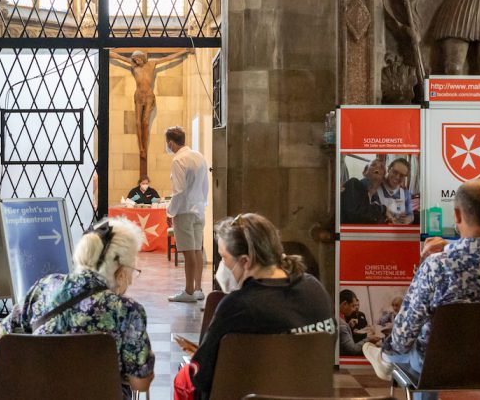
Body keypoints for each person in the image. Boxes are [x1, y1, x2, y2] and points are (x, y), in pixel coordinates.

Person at [363, 181, 480, 395]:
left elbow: (403, 335)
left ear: (456, 215)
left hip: (435, 367)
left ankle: (384, 359)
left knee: (401, 347)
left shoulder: (436, 265)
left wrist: (389, 350)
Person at [177, 213, 335, 399]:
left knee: (183, 379)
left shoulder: (236, 306)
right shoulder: (316, 291)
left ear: (245, 261)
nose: (222, 267)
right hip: (307, 394)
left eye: (223, 258)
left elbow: (201, 376)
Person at [0, 218, 154, 399]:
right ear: (119, 268)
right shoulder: (127, 311)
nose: (131, 279)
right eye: (132, 270)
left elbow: (0, 337)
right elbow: (140, 384)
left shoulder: (44, 287)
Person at [110, 49, 192, 158]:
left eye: (138, 59)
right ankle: (141, 148)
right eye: (135, 60)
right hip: (139, 96)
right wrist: (105, 51)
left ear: (142, 58)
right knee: (138, 123)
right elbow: (119, 57)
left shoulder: (152, 64)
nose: (136, 61)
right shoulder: (134, 66)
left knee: (146, 123)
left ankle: (145, 146)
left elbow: (168, 58)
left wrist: (184, 51)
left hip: (149, 96)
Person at [165, 126, 210, 303]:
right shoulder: (198, 156)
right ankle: (198, 288)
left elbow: (178, 191)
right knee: (198, 249)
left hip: (184, 211)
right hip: (199, 209)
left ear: (170, 143)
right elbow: (205, 185)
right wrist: (202, 204)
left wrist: (170, 212)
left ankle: (189, 291)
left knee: (188, 252)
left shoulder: (178, 160)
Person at [340, 159, 389, 224]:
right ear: (364, 172)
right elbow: (355, 214)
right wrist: (383, 209)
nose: (377, 167)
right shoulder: (354, 183)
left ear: (383, 178)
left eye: (381, 167)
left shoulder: (376, 200)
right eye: (373, 165)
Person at [338, 289, 380, 356]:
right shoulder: (342, 325)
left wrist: (348, 326)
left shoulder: (339, 317)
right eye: (353, 306)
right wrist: (368, 339)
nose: (354, 309)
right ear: (345, 304)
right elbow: (353, 350)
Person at [377, 158, 414, 225]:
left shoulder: (405, 193)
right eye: (395, 172)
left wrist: (408, 219)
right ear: (389, 169)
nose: (397, 177)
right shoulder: (375, 187)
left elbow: (410, 215)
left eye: (402, 175)